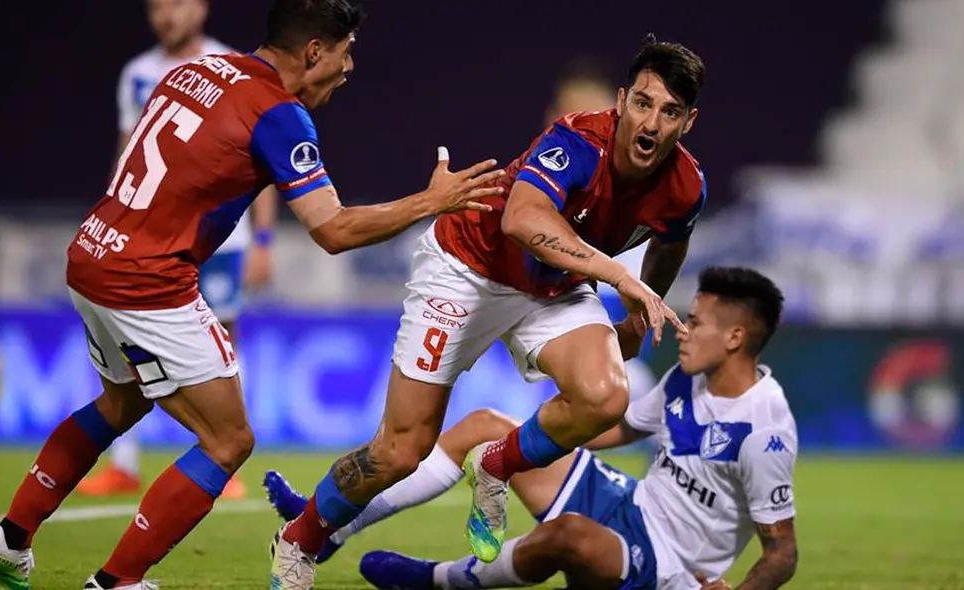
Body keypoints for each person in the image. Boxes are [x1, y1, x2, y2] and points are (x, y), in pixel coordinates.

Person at [0, 0, 504, 588]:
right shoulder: (279, 115)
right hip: (148, 281)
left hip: (93, 253)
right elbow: (332, 229)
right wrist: (431, 202)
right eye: (346, 52)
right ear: (314, 52)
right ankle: (116, 582)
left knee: (120, 403)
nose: (349, 68)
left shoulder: (191, 72)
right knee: (228, 440)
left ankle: (9, 539)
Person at [270, 34, 705, 588]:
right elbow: (521, 221)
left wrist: (641, 315)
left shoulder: (686, 185)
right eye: (642, 104)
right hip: (467, 268)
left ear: (687, 122)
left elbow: (671, 239)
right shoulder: (576, 140)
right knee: (400, 450)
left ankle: (497, 463)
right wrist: (621, 276)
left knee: (606, 395)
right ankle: (301, 537)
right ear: (622, 100)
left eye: (669, 113)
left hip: (553, 286)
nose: (650, 124)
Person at [268, 266, 799, 590]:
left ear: (734, 338)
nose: (682, 328)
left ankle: (436, 580)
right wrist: (532, 441)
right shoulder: (688, 380)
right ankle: (337, 529)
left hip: (667, 568)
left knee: (565, 537)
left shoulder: (765, 428)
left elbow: (782, 552)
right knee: (486, 428)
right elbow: (615, 431)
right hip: (628, 504)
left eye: (696, 322)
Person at [77, 0, 271, 501]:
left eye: (176, 3)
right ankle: (124, 464)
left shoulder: (230, 68)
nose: (165, 14)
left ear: (202, 9)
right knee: (126, 343)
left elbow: (263, 162)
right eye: (156, 5)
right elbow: (129, 149)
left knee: (224, 336)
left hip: (221, 236)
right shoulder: (136, 74)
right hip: (148, 236)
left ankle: (218, 455)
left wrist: (265, 241)